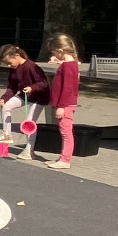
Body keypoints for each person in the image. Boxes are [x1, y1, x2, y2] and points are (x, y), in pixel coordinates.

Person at [0, 43, 49, 159]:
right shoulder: (13, 69)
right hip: (25, 95)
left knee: (29, 123)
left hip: (39, 97)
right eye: (7, 64)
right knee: (6, 107)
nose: (9, 65)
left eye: (9, 62)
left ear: (16, 55)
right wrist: (4, 98)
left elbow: (43, 83)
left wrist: (32, 88)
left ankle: (29, 150)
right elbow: (12, 87)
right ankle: (7, 134)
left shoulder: (31, 66)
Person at [47, 33, 81, 170]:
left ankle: (65, 160)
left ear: (60, 51)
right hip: (66, 103)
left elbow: (67, 88)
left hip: (65, 105)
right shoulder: (70, 64)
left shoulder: (68, 66)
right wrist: (59, 61)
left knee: (66, 132)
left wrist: (61, 106)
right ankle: (63, 157)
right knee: (65, 131)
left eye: (55, 52)